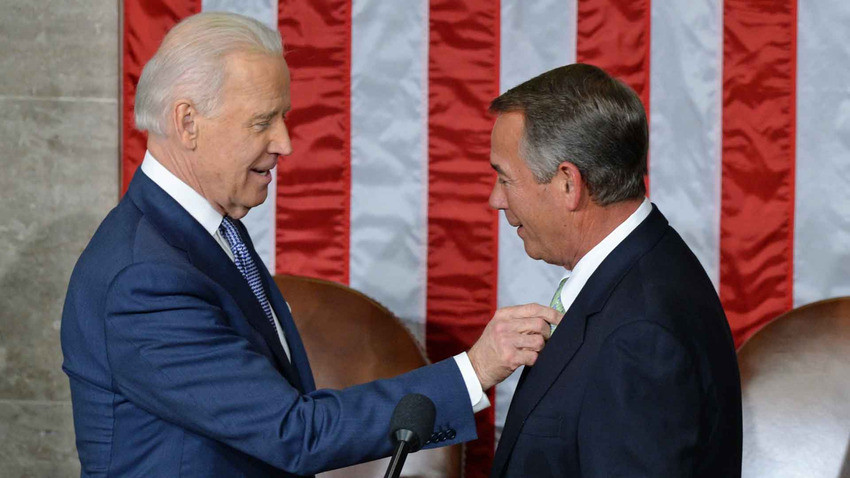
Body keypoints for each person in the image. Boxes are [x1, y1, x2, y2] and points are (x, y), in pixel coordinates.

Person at [60, 12, 559, 477]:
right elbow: (292, 431)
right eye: (262, 121)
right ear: (188, 122)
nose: (285, 142)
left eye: (283, 117)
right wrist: (474, 371)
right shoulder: (146, 278)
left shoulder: (202, 234)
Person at [487, 64, 742, 477]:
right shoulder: (642, 271)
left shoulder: (640, 333)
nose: (495, 199)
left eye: (505, 178)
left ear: (568, 183)